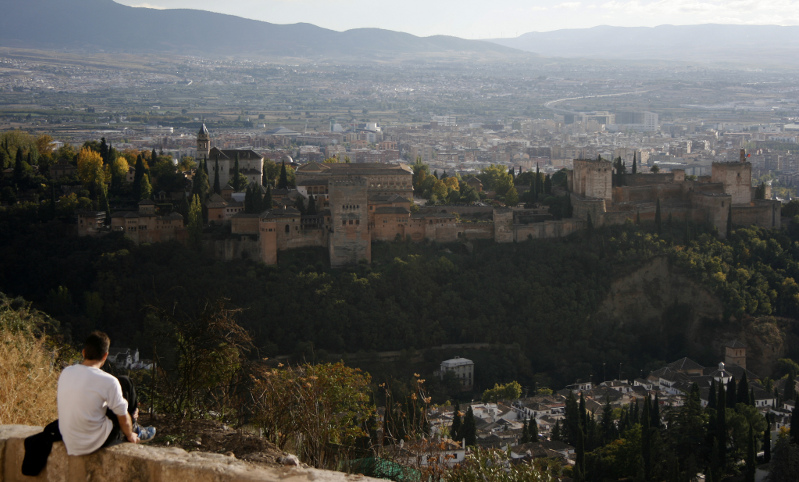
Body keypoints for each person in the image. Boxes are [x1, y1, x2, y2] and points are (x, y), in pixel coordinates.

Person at [56, 331, 155, 456]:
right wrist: (130, 436)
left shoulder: (66, 372)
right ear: (105, 356)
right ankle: (135, 428)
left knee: (121, 383)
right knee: (126, 382)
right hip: (92, 443)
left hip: (69, 439)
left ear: (83, 352)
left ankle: (133, 423)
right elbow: (122, 418)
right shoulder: (109, 381)